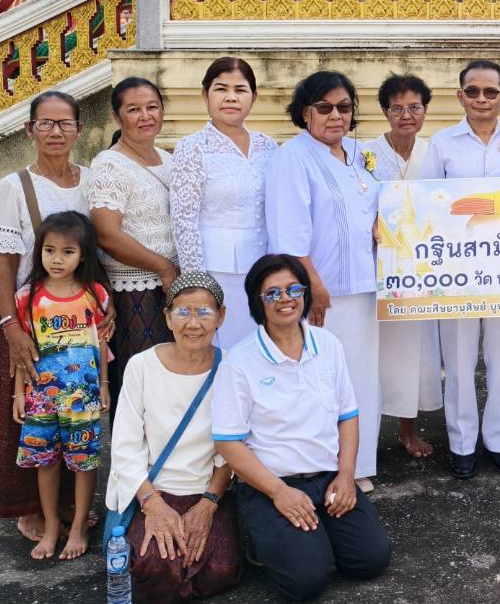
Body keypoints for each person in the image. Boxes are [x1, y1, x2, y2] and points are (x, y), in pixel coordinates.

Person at [213, 255, 392, 602]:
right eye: (273, 293)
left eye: (294, 289)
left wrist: (346, 476)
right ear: (258, 302)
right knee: (305, 582)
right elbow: (228, 442)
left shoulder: (328, 346)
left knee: (371, 560)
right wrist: (279, 493)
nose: (286, 299)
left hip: (327, 478)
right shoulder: (240, 361)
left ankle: (314, 538)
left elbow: (347, 415)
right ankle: (267, 536)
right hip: (271, 485)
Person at [0, 90, 93, 541]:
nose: (56, 132)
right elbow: (3, 260)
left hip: (74, 316)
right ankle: (27, 508)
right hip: (23, 315)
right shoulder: (14, 186)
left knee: (70, 407)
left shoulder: (91, 180)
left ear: (79, 130)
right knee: (23, 413)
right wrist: (11, 326)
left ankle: (64, 505)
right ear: (30, 130)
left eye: (65, 124)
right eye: (46, 123)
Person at [264, 71, 382, 488]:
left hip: (366, 286)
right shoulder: (292, 157)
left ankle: (359, 464)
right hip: (323, 291)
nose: (336, 116)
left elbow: (375, 206)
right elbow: (289, 231)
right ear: (305, 112)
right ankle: (326, 466)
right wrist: (311, 285)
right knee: (322, 379)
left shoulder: (360, 153)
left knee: (361, 376)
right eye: (324, 107)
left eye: (344, 107)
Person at [423, 60, 500, 478]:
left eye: (491, 92)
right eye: (474, 92)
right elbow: (427, 203)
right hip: (457, 271)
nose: (482, 100)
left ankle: (499, 439)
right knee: (460, 357)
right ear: (460, 96)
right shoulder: (443, 143)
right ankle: (462, 442)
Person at [108, 271, 240, 604]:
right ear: (167, 317)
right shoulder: (141, 366)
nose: (192, 323)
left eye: (204, 312)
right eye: (182, 312)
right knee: (156, 572)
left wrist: (209, 505)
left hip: (208, 492)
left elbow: (233, 448)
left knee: (220, 571)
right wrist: (152, 504)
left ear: (221, 316)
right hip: (153, 492)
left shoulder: (232, 369)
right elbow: (125, 444)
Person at [11, 211, 110, 561]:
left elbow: (100, 344)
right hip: (40, 396)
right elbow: (25, 351)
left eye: (68, 251)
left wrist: (104, 386)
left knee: (83, 462)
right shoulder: (28, 297)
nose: (57, 259)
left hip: (82, 396)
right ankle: (52, 525)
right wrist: (18, 393)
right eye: (49, 250)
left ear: (83, 255)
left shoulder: (95, 295)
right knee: (46, 462)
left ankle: (80, 524)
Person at [169, 57, 277, 351]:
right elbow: (184, 220)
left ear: (254, 97)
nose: (231, 97)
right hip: (215, 271)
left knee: (259, 350)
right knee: (221, 351)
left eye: (241, 90)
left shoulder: (268, 146)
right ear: (205, 95)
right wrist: (196, 284)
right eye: (221, 89)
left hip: (262, 269)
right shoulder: (192, 147)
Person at [363, 73, 443, 462]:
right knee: (374, 351)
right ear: (385, 112)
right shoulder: (366, 153)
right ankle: (363, 435)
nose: (406, 115)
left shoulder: (435, 153)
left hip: (425, 269)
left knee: (416, 350)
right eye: (397, 108)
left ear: (425, 110)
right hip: (376, 266)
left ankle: (407, 429)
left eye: (414, 107)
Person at [90, 77, 177, 387]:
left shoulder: (169, 160)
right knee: (140, 383)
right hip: (135, 291)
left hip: (172, 288)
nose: (145, 116)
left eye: (152, 107)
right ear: (117, 117)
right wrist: (163, 267)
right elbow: (106, 233)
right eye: (134, 109)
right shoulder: (110, 166)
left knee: (172, 380)